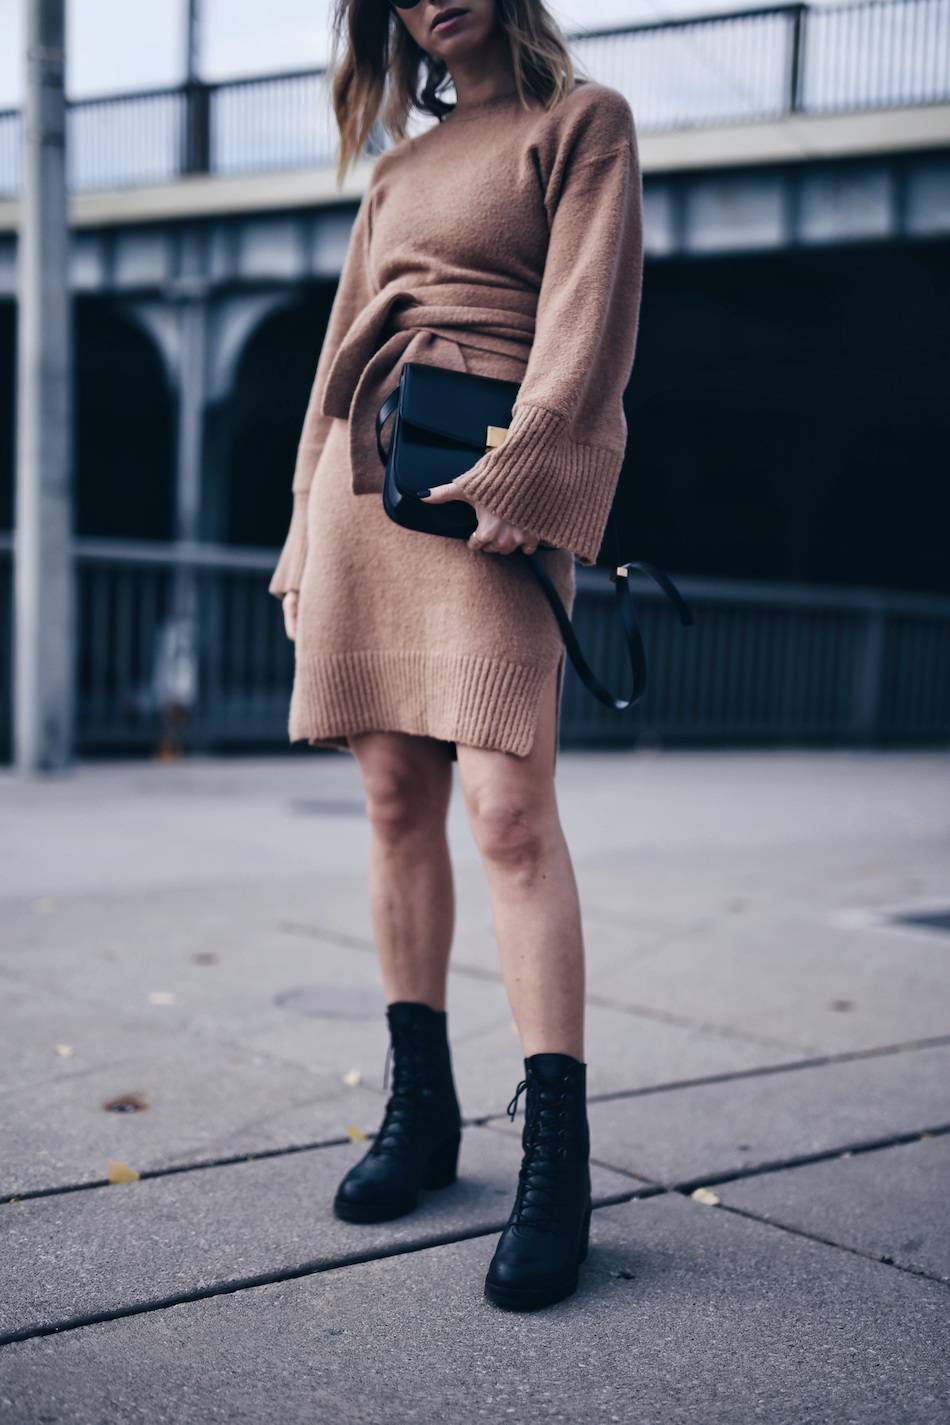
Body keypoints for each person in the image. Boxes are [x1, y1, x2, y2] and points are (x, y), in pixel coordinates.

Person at [269, 0, 644, 1311]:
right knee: (390, 798)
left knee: (509, 814)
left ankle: (556, 1165)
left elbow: (589, 324)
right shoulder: (396, 171)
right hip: (369, 488)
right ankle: (421, 1116)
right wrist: (300, 545)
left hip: (492, 481)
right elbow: (334, 365)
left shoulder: (580, 123)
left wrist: (527, 468)